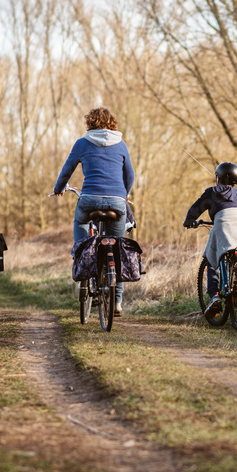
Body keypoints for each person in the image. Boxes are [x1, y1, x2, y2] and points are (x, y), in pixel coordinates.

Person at [53, 107, 135, 316]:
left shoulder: (82, 143)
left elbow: (67, 169)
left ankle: (82, 257)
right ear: (112, 123)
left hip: (89, 200)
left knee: (80, 225)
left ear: (90, 123)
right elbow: (130, 175)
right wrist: (123, 195)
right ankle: (116, 303)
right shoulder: (121, 144)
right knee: (117, 250)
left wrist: (58, 188)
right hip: (117, 202)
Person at [183, 161, 237, 318]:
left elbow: (197, 208)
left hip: (222, 228)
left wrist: (189, 222)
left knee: (211, 258)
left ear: (218, 178)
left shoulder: (211, 192)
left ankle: (215, 295)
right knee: (236, 254)